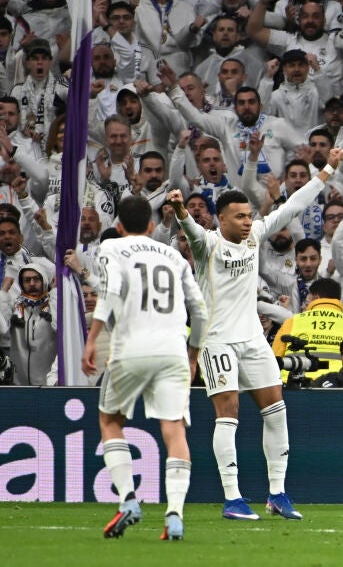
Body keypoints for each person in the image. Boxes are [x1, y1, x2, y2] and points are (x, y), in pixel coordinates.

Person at [166, 146, 343, 522]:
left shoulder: (254, 237)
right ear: (222, 220)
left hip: (252, 340)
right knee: (227, 415)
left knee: (276, 411)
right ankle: (232, 499)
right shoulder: (208, 244)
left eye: (250, 215)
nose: (248, 222)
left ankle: (277, 494)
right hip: (217, 341)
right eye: (240, 217)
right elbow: (188, 227)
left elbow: (293, 206)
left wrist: (328, 169)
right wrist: (182, 209)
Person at [83, 196, 209, 541]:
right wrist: (193, 353)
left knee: (110, 420)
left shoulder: (111, 247)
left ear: (119, 226)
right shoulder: (173, 256)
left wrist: (92, 339)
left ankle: (127, 499)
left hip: (130, 348)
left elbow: (108, 294)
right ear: (152, 227)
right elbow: (200, 313)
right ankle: (175, 515)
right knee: (174, 429)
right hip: (172, 352)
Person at [270, 277, 343, 384]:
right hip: (340, 389)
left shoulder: (292, 322)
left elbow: (273, 362)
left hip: (294, 388)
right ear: (338, 299)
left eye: (307, 300)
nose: (304, 305)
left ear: (316, 298)